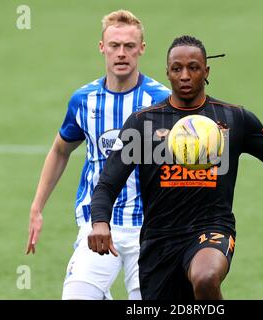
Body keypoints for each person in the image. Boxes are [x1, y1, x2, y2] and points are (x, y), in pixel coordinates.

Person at [87, 35, 263, 300]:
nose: (185, 75)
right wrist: (100, 221)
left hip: (211, 228)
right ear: (167, 73)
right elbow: (108, 183)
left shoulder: (234, 118)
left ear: (206, 71)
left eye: (193, 68)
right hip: (159, 239)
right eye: (177, 68)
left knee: (206, 278)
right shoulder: (142, 124)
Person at [25, 10, 170, 300]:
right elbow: (59, 150)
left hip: (151, 227)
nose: (121, 53)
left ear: (141, 49)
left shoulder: (161, 102)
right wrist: (37, 207)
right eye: (114, 45)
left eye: (129, 46)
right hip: (99, 223)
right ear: (102, 48)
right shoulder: (84, 100)